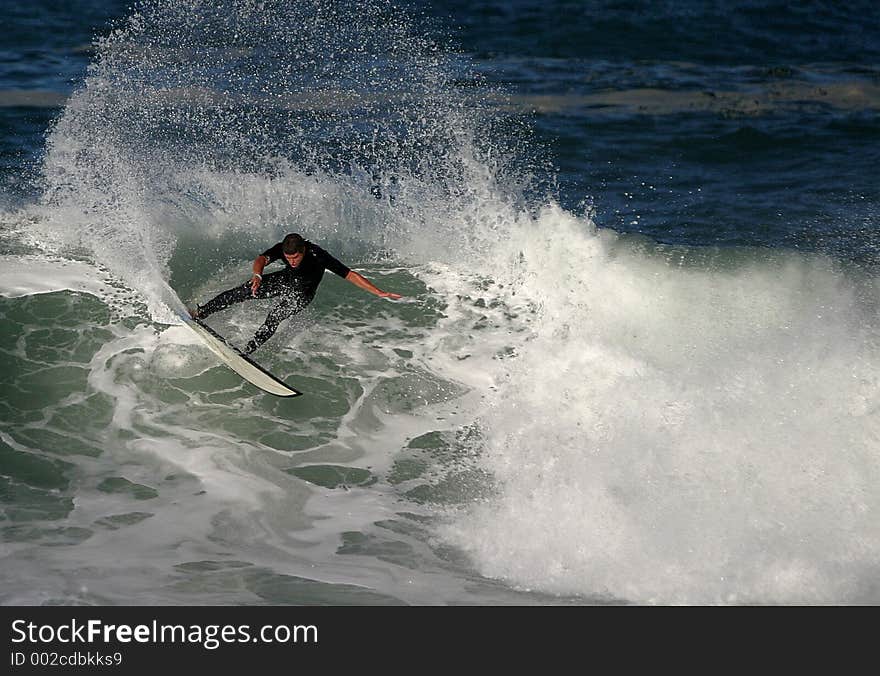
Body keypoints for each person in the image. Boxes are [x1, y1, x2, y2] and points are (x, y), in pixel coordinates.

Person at [190, 233, 401, 354]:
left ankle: (246, 352)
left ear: (304, 251)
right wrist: (257, 275)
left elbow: (349, 274)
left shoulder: (318, 255)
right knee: (242, 292)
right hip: (284, 281)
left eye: (295, 258)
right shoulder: (283, 248)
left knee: (274, 317)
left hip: (302, 294)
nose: (291, 261)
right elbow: (262, 259)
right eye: (288, 258)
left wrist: (379, 292)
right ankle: (202, 312)